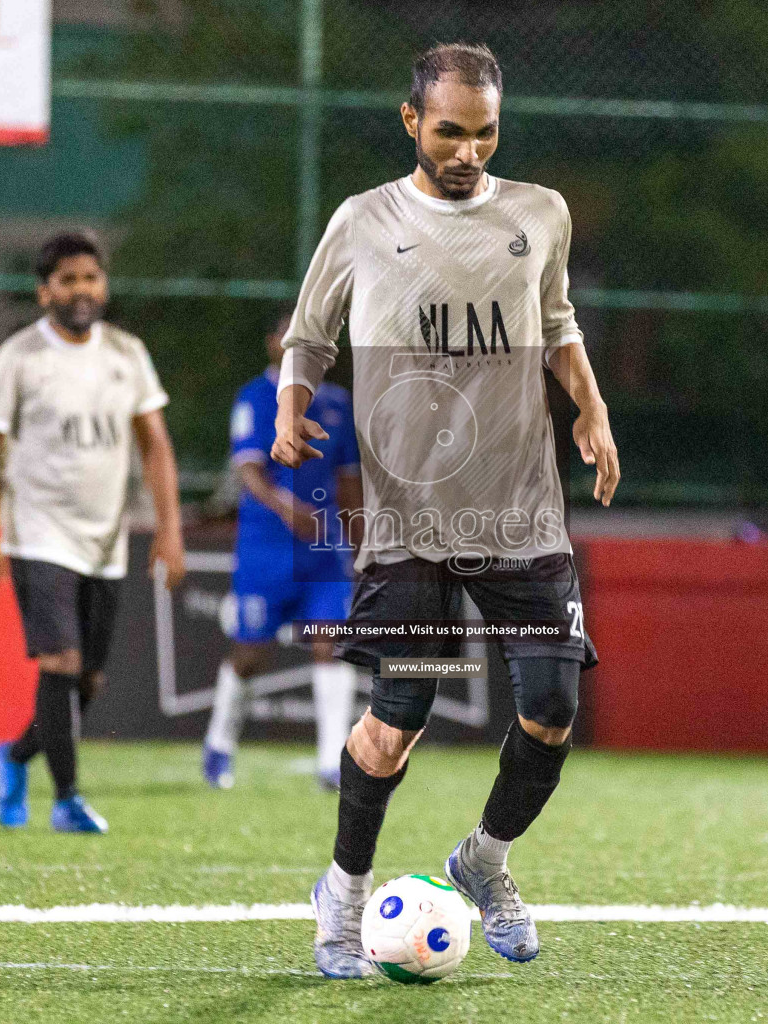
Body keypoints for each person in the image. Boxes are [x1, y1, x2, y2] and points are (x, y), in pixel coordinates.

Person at [271, 43, 620, 976]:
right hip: (409, 525)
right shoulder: (362, 222)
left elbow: (558, 324)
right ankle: (342, 898)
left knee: (550, 708)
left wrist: (590, 407)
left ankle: (484, 861)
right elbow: (308, 337)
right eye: (450, 131)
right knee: (401, 713)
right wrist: (290, 403)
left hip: (519, 518)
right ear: (410, 121)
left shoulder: (538, 213)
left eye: (485, 132)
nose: (468, 151)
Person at [0, 230, 187, 834]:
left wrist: (169, 530)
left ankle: (13, 759)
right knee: (60, 662)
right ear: (44, 293)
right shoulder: (20, 357)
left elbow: (156, 447)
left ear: (104, 285)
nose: (81, 289)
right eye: (67, 280)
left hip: (106, 540)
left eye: (90, 278)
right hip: (39, 534)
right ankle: (66, 801)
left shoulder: (126, 353)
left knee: (85, 681)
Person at [202, 309, 363, 792]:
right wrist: (284, 507)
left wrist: (361, 540)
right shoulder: (254, 397)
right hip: (266, 551)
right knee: (251, 653)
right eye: (294, 338)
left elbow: (350, 481)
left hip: (324, 551)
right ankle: (219, 744)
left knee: (329, 645)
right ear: (274, 343)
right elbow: (249, 470)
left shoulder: (339, 404)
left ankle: (334, 763)